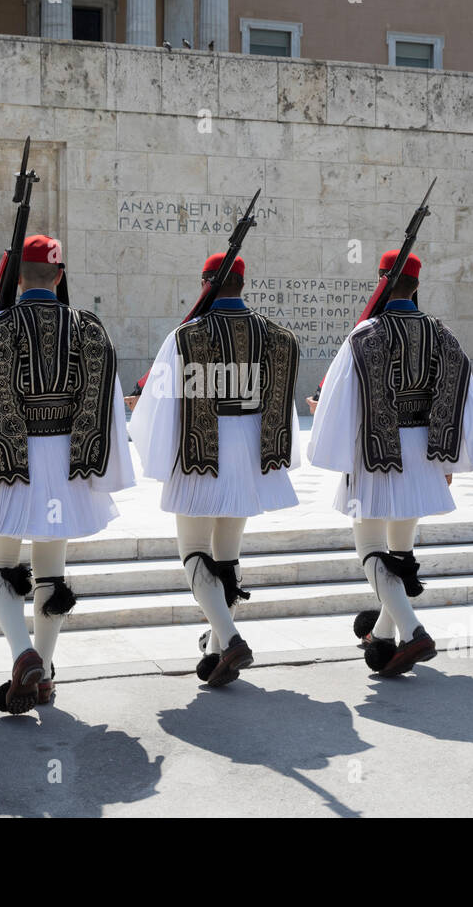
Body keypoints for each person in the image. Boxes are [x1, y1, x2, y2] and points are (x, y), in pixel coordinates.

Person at [0, 235, 135, 714]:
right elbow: (109, 405)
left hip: (9, 468)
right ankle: (43, 671)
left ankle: (22, 653)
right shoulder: (89, 328)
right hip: (67, 471)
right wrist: (102, 470)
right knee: (52, 574)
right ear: (60, 275)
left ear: (16, 277)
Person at [308, 250, 473, 677]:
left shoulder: (366, 335)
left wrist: (324, 422)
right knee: (401, 551)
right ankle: (382, 638)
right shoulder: (443, 335)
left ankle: (412, 631)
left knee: (370, 548)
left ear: (381, 282)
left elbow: (341, 400)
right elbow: (463, 397)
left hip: (376, 454)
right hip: (425, 454)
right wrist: (453, 457)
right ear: (418, 286)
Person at [128, 253, 301, 687]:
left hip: (199, 453)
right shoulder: (277, 336)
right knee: (227, 556)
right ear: (242, 284)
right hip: (250, 456)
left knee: (193, 552)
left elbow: (160, 407)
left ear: (205, 282)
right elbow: (283, 405)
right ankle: (217, 648)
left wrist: (158, 456)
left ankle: (229, 636)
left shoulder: (186, 336)